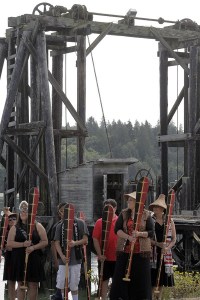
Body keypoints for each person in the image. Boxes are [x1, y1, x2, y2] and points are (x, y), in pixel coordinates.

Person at [110, 191, 154, 300]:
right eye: (128, 200)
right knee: (121, 275)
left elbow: (151, 232)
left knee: (140, 278)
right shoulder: (124, 213)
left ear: (137, 202)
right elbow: (117, 230)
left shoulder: (147, 214)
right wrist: (129, 237)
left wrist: (139, 234)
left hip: (141, 252)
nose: (128, 202)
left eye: (130, 200)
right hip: (125, 250)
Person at [7, 200, 48, 300]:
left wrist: (33, 247)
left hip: (34, 259)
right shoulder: (15, 228)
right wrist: (23, 244)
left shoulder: (37, 226)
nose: (23, 213)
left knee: (33, 285)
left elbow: (45, 241)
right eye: (22, 211)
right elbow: (9, 243)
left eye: (25, 211)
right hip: (19, 260)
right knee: (21, 285)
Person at [54, 203, 89, 300]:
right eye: (61, 211)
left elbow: (85, 239)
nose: (63, 213)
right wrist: (61, 256)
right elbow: (56, 243)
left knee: (74, 284)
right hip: (63, 260)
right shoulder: (59, 226)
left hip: (76, 259)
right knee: (61, 284)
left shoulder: (80, 223)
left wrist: (75, 243)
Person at [149, 194, 176, 300]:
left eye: (157, 207)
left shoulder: (170, 221)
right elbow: (147, 238)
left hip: (165, 253)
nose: (155, 209)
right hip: (153, 252)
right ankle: (151, 297)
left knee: (161, 280)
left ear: (162, 209)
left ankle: (159, 298)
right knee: (152, 278)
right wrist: (157, 244)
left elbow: (174, 239)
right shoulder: (151, 220)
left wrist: (167, 247)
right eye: (154, 207)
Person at [92, 198, 118, 300]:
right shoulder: (99, 222)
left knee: (117, 281)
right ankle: (103, 298)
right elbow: (95, 239)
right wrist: (99, 254)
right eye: (105, 208)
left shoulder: (120, 220)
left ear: (115, 208)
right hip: (104, 258)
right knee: (104, 280)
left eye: (110, 208)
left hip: (117, 257)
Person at [3, 211, 18, 300]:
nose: (12, 221)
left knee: (22, 282)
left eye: (14, 219)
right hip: (9, 258)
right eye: (10, 219)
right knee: (11, 281)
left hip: (20, 257)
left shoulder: (20, 231)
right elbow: (6, 247)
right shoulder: (4, 233)